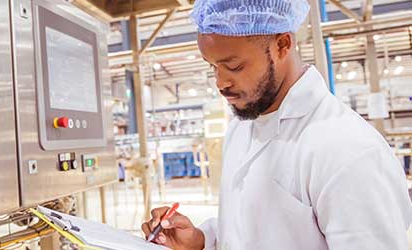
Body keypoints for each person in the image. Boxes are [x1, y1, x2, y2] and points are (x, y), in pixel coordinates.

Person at [141, 0, 412, 249]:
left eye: (234, 67)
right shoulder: (243, 126)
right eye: (212, 66)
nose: (220, 83)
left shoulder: (349, 151)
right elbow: (250, 231)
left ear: (282, 44)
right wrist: (201, 241)